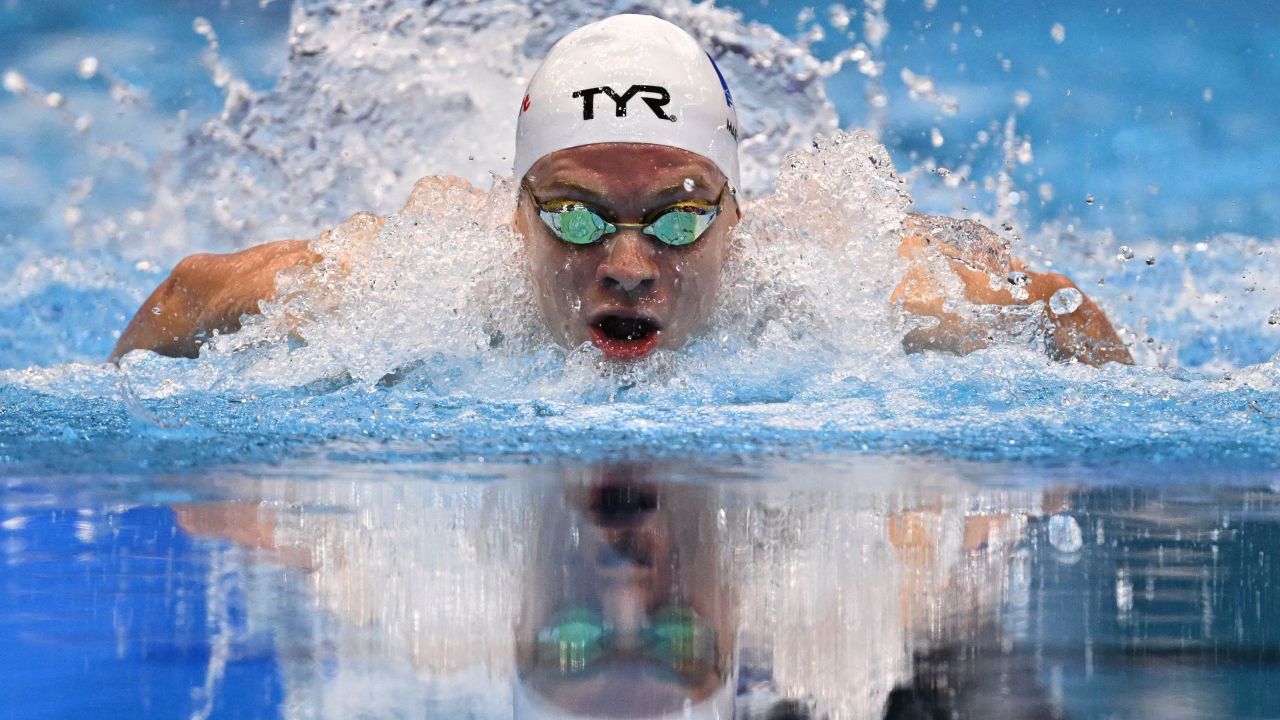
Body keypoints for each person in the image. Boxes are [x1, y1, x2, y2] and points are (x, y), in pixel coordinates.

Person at [109, 14, 1132, 367]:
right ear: (511, 215)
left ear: (740, 216)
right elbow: (191, 294)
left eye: (682, 215)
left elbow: (1063, 316)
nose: (628, 267)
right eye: (572, 214)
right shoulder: (407, 294)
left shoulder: (851, 293)